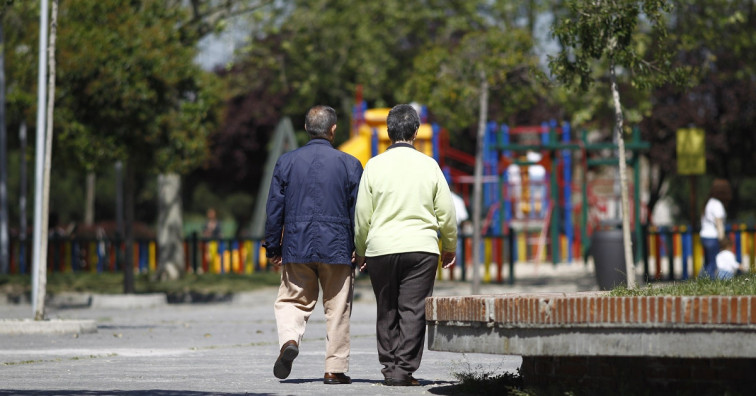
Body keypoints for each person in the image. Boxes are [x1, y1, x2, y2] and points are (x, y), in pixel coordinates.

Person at [354, 104, 457, 387]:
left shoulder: (373, 166)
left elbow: (363, 214)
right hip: (421, 248)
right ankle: (404, 371)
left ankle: (389, 368)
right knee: (413, 309)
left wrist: (360, 249)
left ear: (388, 133)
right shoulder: (430, 165)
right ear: (415, 131)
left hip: (381, 248)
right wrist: (449, 245)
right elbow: (446, 212)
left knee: (386, 308)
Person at [263, 105, 363, 385]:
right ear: (333, 129)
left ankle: (289, 341)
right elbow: (359, 210)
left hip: (297, 243)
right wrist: (359, 246)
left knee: (292, 300)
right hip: (338, 246)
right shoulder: (350, 163)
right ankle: (334, 369)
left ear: (307, 129)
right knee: (338, 308)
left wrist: (273, 246)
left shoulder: (286, 162)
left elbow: (274, 208)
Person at [699, 179, 732, 278]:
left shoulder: (709, 203)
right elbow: (719, 223)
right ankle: (710, 284)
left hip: (704, 236)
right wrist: (722, 238)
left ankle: (701, 281)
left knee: (707, 262)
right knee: (713, 263)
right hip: (712, 237)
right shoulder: (717, 204)